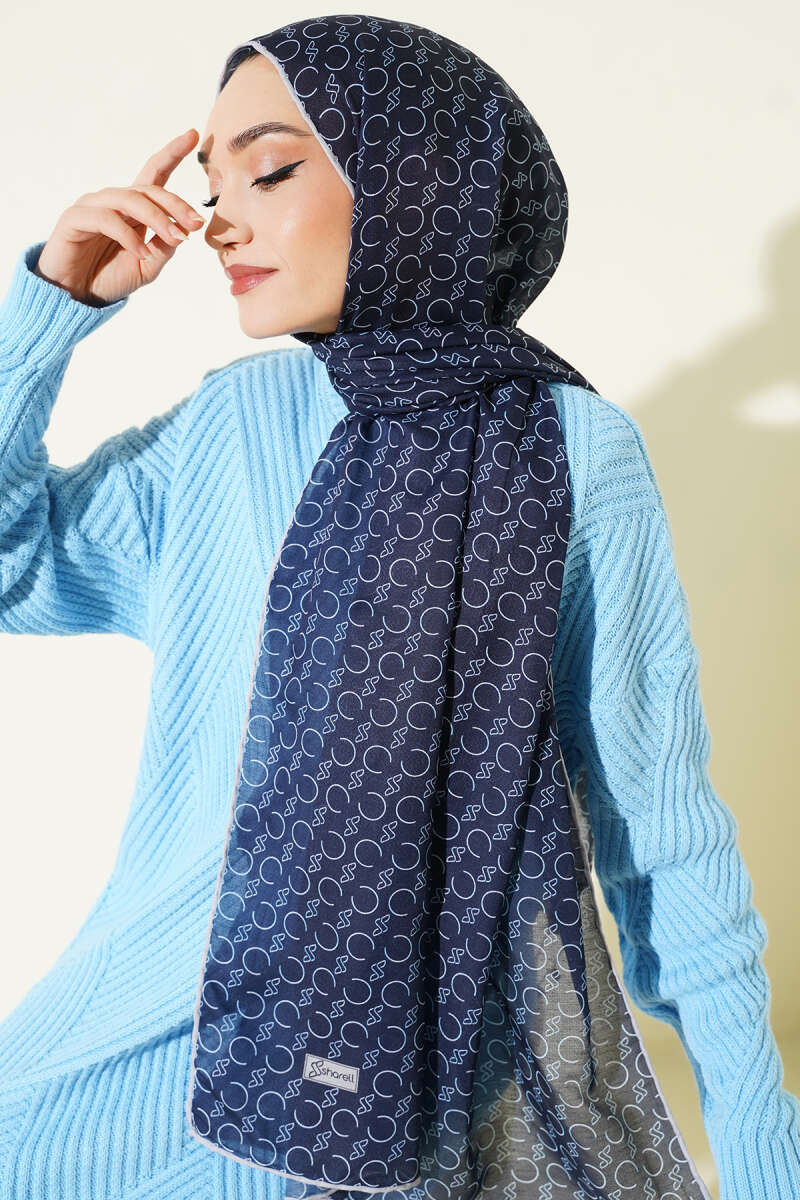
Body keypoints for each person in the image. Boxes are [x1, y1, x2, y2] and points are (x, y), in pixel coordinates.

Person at [0, 16, 798, 1200]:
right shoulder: (227, 428)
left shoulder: (570, 452)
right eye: (213, 182)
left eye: (270, 170)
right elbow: (13, 567)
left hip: (423, 1103)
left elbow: (659, 834)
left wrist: (767, 1154)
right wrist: (49, 310)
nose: (221, 220)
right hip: (122, 1076)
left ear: (411, 178)